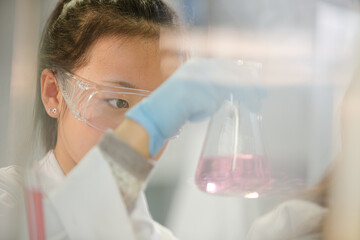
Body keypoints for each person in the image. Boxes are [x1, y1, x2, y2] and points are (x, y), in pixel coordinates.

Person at [0, 0, 260, 239]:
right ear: (53, 93)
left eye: (159, 108)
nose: (139, 132)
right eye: (117, 102)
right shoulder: (9, 202)